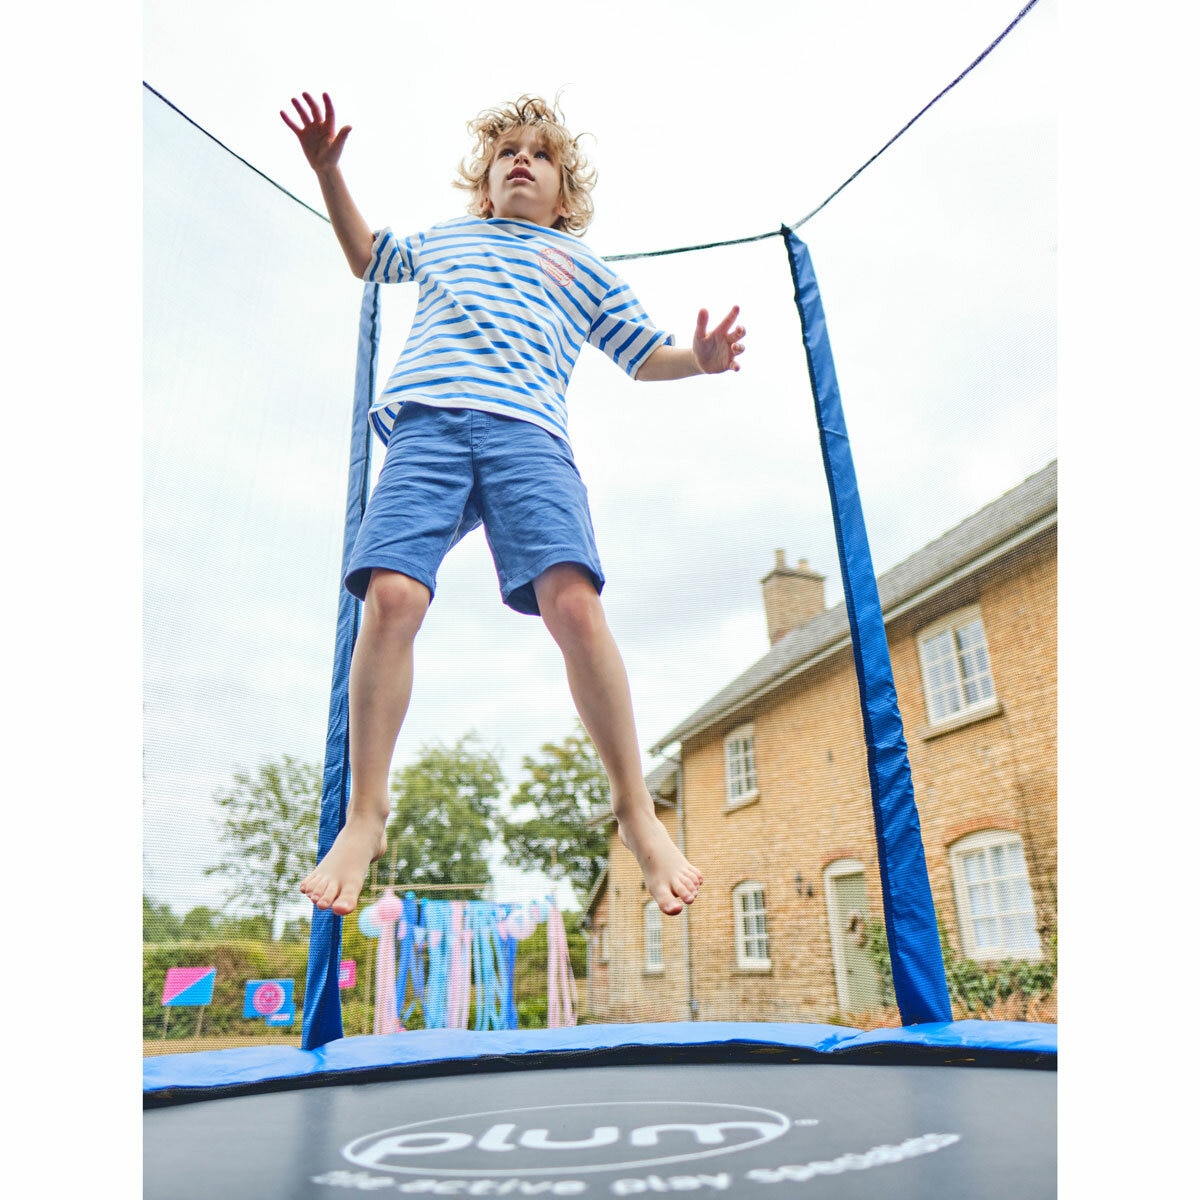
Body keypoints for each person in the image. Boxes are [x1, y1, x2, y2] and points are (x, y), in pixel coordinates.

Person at [281, 91, 745, 919]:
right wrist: (328, 173)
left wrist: (700, 360)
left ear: (564, 195)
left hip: (529, 437)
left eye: (541, 154)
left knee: (575, 604)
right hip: (428, 426)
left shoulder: (584, 265)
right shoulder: (448, 239)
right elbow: (365, 256)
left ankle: (637, 813)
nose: (521, 160)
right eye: (507, 154)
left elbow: (643, 357)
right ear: (485, 185)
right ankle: (365, 814)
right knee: (390, 596)